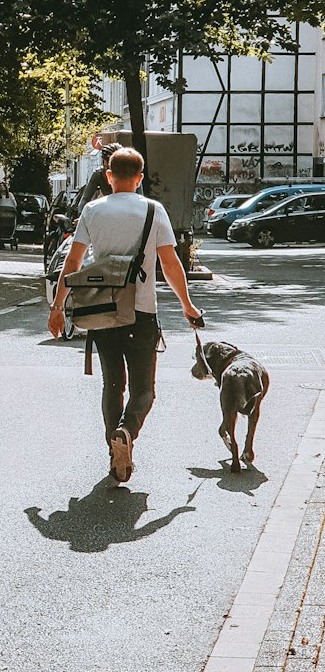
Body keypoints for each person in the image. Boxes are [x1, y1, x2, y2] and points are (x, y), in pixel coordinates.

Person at [47, 147, 203, 484]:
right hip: (142, 313)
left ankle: (114, 447)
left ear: (108, 176)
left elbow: (72, 264)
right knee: (144, 391)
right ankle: (127, 432)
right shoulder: (153, 210)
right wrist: (187, 305)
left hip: (103, 313)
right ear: (140, 177)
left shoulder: (92, 210)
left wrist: (58, 307)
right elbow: (170, 264)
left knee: (112, 385)